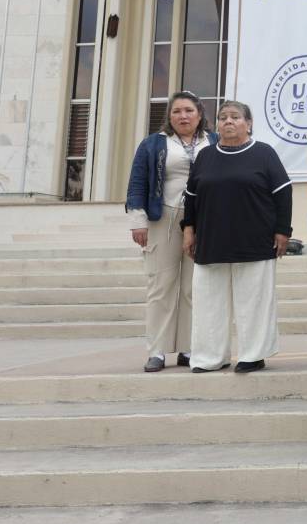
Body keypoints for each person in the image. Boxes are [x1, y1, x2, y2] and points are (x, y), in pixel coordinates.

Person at [181, 101, 292, 375]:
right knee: (208, 303)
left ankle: (253, 355)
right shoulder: (206, 156)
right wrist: (188, 229)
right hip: (211, 240)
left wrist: (283, 231)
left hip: (255, 240)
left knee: (254, 302)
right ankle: (210, 357)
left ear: (248, 123)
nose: (228, 121)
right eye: (223, 117)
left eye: (235, 117)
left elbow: (283, 193)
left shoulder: (264, 153)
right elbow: (191, 197)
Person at [125, 90, 217, 372]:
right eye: (177, 111)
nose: (183, 116)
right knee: (161, 286)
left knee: (194, 287)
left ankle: (189, 348)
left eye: (189, 110)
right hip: (163, 218)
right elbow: (137, 182)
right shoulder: (154, 143)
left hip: (203, 220)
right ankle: (157, 351)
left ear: (199, 114)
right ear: (169, 116)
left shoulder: (213, 141)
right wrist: (138, 220)